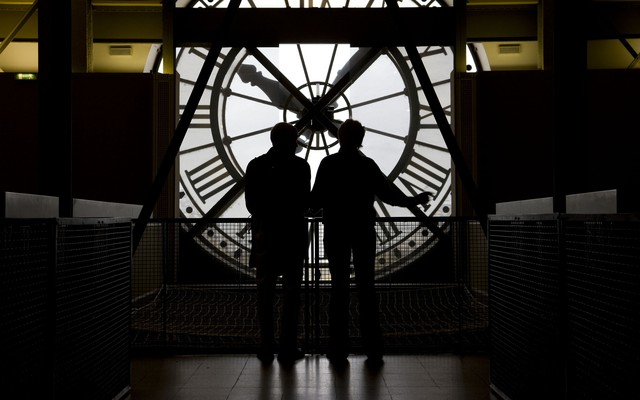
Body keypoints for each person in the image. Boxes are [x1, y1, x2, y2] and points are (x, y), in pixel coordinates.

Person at [310, 119, 432, 367]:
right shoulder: (367, 165)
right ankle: (372, 347)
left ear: (340, 137)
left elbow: (315, 200)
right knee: (366, 289)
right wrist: (414, 201)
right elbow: (390, 195)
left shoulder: (328, 164)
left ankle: (338, 347)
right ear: (360, 139)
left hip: (336, 230)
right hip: (362, 230)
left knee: (339, 290)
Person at [245, 122, 311, 364]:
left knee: (265, 293)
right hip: (293, 236)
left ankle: (266, 345)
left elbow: (252, 205)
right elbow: (305, 203)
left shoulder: (256, 166)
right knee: (291, 294)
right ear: (291, 142)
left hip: (266, 236)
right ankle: (287, 346)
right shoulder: (301, 167)